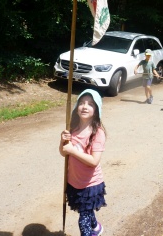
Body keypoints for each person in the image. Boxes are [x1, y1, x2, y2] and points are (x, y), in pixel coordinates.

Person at [59, 89, 107, 236]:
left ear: (96, 109)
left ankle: (90, 230)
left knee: (83, 220)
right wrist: (62, 141)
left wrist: (73, 151)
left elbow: (94, 161)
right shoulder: (72, 130)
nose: (85, 106)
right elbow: (63, 152)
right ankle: (96, 227)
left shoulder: (97, 133)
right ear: (76, 107)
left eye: (90, 104)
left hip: (90, 184)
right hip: (74, 181)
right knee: (85, 209)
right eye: (82, 103)